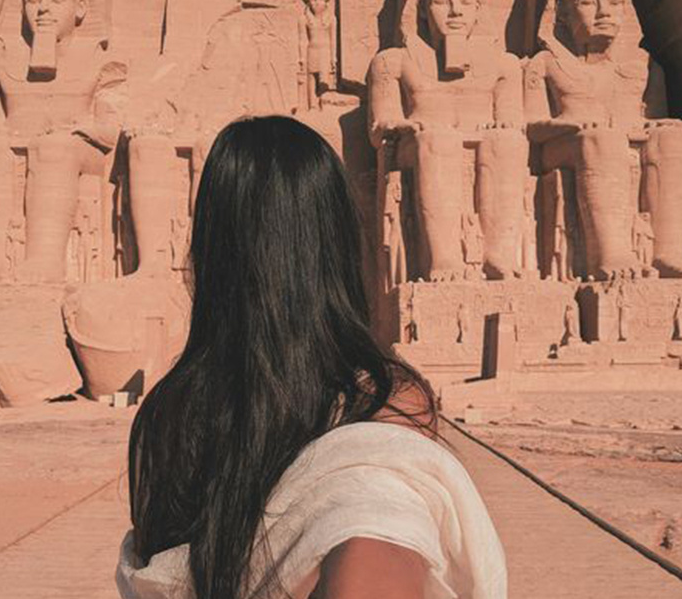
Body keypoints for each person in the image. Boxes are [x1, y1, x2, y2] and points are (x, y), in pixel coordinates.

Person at [116, 116, 506, 598]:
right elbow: (379, 538)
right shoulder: (386, 406)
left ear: (207, 248)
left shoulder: (166, 419)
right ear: (338, 242)